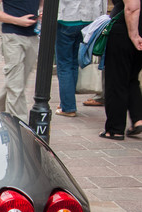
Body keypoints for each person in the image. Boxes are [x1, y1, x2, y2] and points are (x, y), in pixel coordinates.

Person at [0, 0, 43, 123]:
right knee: (16, 86)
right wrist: (18, 20)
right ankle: (19, 126)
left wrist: (41, 10)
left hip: (33, 37)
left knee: (17, 83)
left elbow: (42, 3)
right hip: (12, 37)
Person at [55, 0, 106, 117]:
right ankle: (67, 101)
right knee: (73, 63)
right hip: (89, 18)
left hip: (66, 17)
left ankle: (67, 106)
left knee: (64, 64)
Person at [100, 0, 142, 140]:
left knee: (116, 80)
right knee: (131, 77)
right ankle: (138, 119)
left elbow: (132, 7)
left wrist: (133, 34)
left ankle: (115, 129)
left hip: (126, 30)